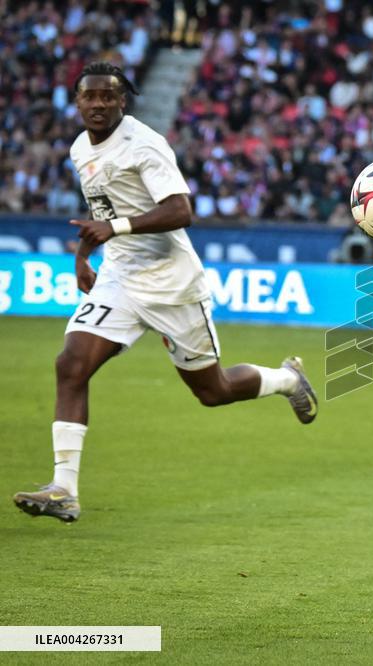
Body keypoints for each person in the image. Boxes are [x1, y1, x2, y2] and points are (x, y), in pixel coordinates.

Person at [13, 62, 318, 524]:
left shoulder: (145, 145)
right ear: (76, 102)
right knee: (70, 364)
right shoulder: (81, 148)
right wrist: (83, 255)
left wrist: (113, 227)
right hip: (120, 277)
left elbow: (181, 210)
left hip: (172, 283)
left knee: (212, 392)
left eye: (107, 96)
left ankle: (287, 380)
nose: (97, 104)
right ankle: (64, 489)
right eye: (88, 96)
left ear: (122, 101)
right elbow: (103, 210)